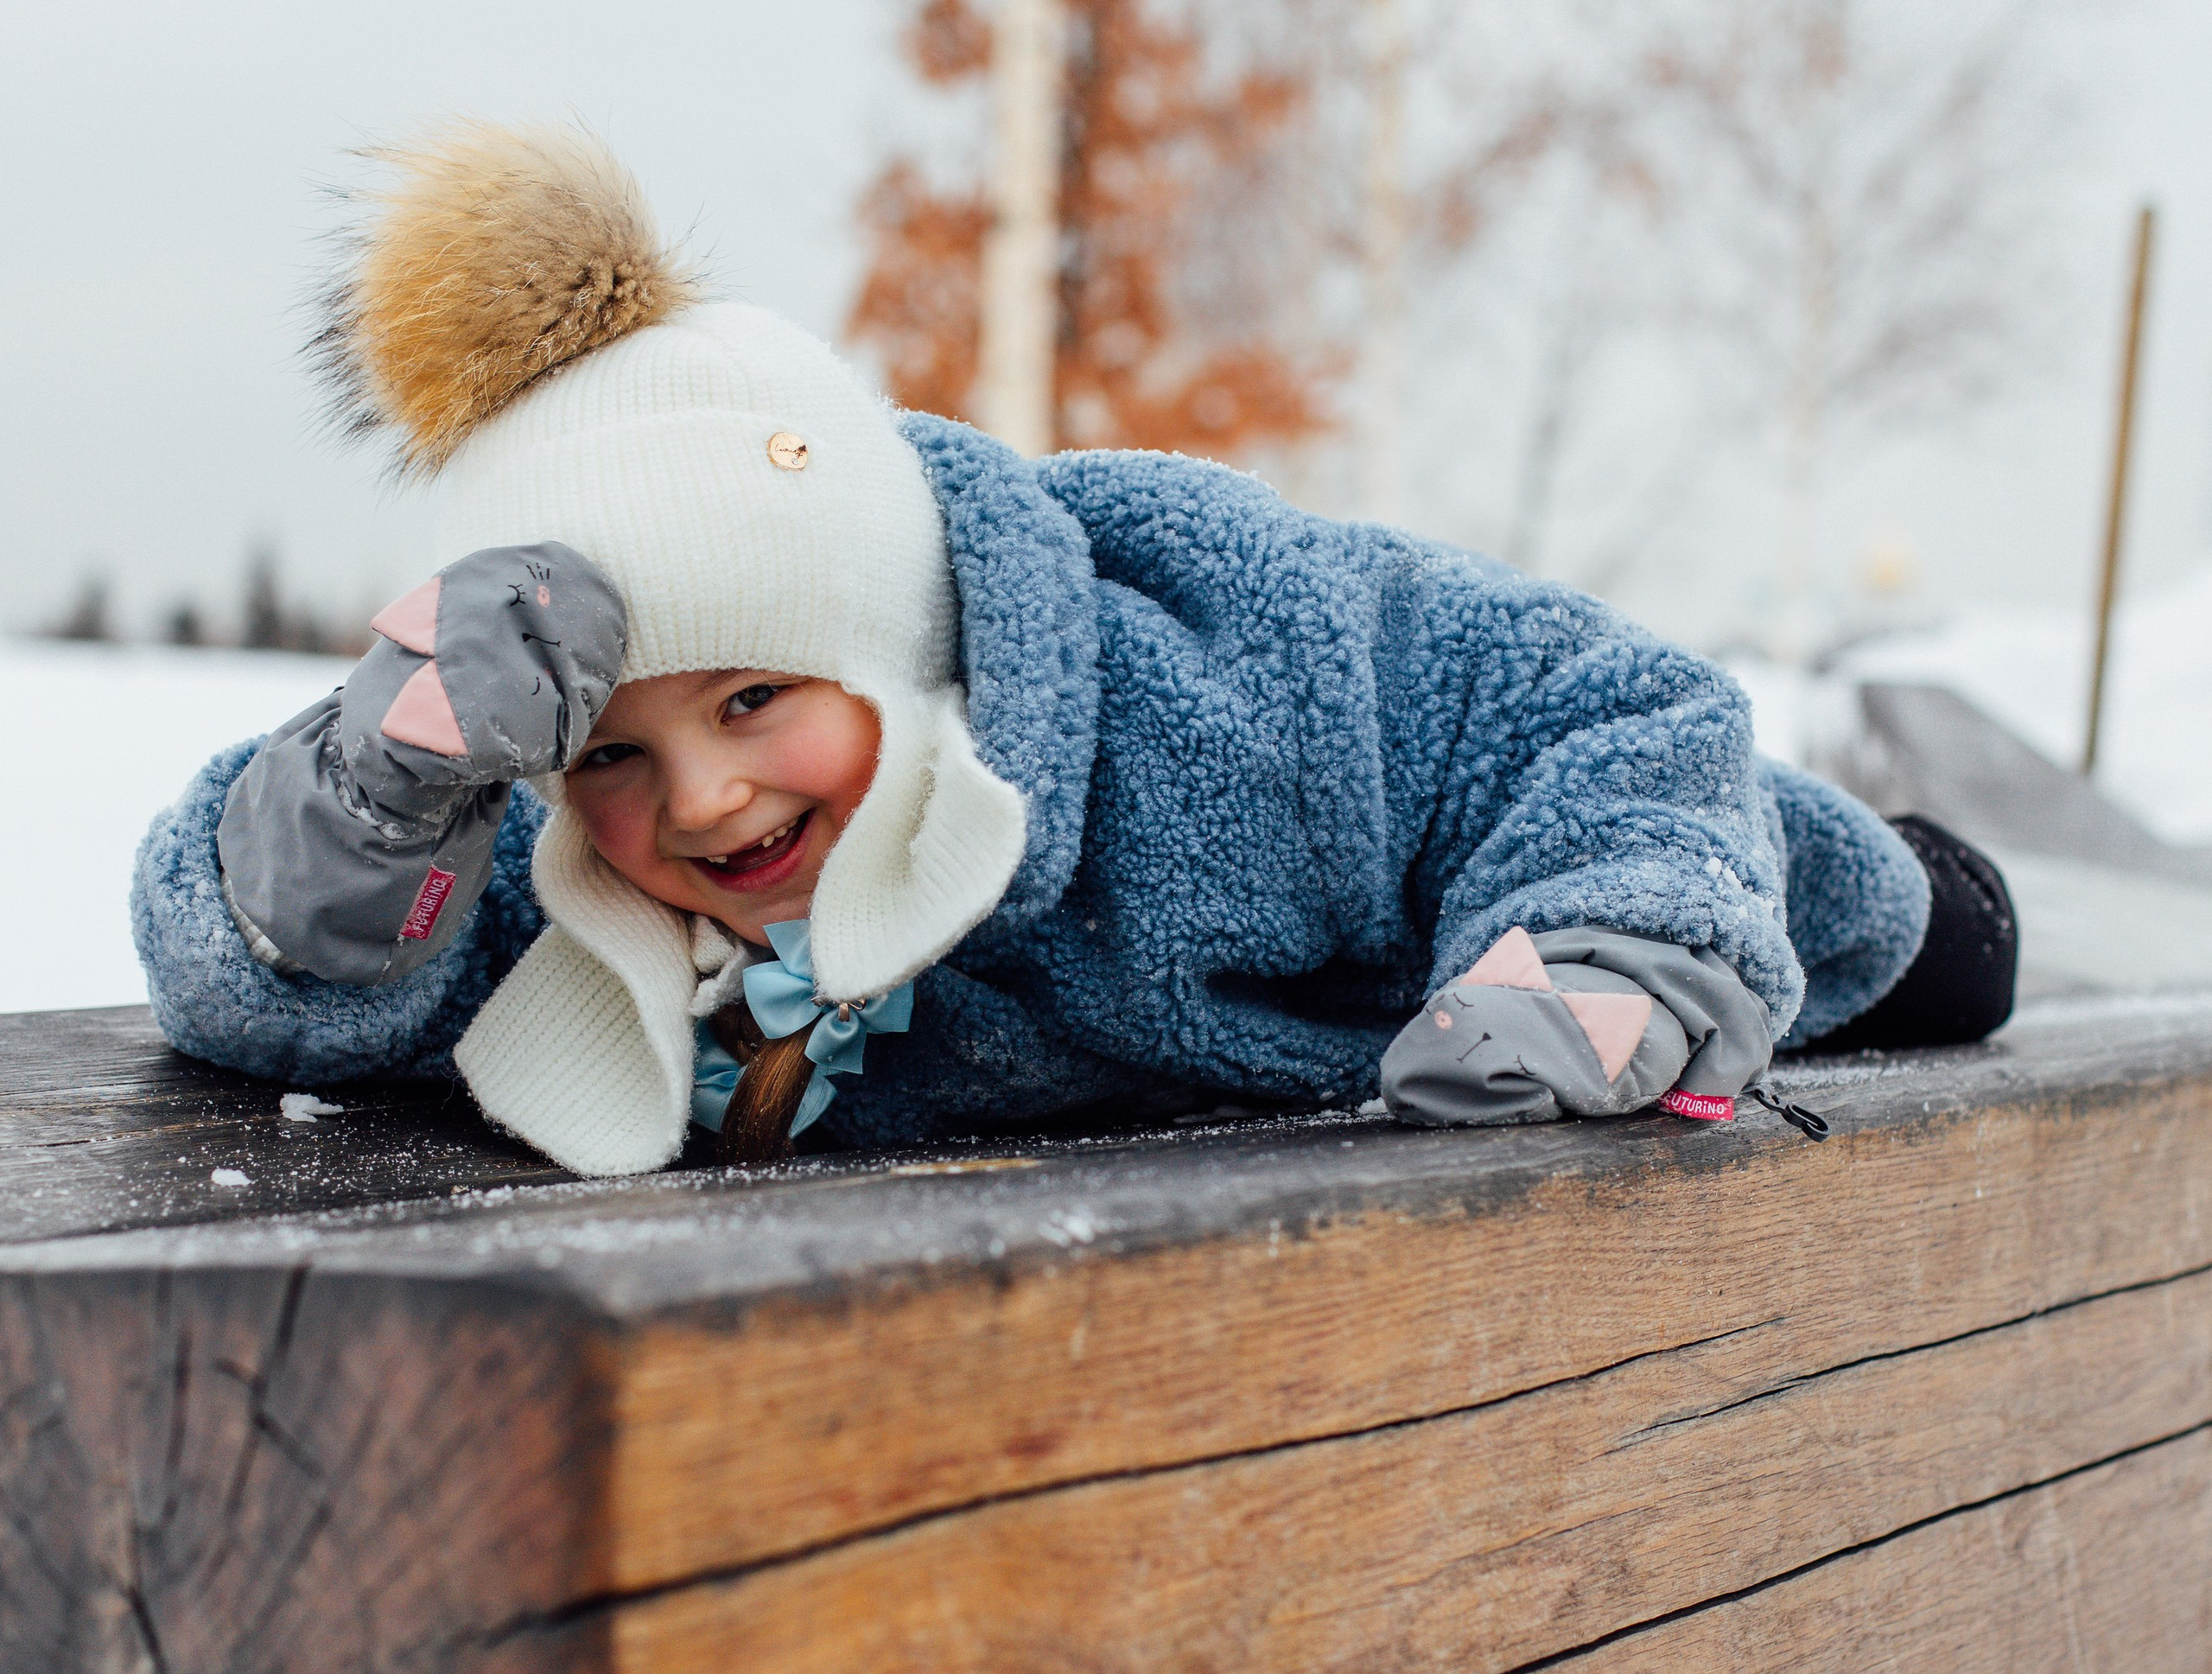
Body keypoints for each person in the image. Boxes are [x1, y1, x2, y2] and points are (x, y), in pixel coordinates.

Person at [132, 123, 2015, 1179]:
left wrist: (1600, 951)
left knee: (1909, 927)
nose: (695, 795)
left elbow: (1584, 705)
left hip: (1640, 908)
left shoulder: (1211, 658)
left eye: (757, 700)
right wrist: (374, 798)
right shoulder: (582, 900)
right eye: (607, 756)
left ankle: (1930, 893)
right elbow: (262, 983)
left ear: (889, 645)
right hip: (1270, 1098)